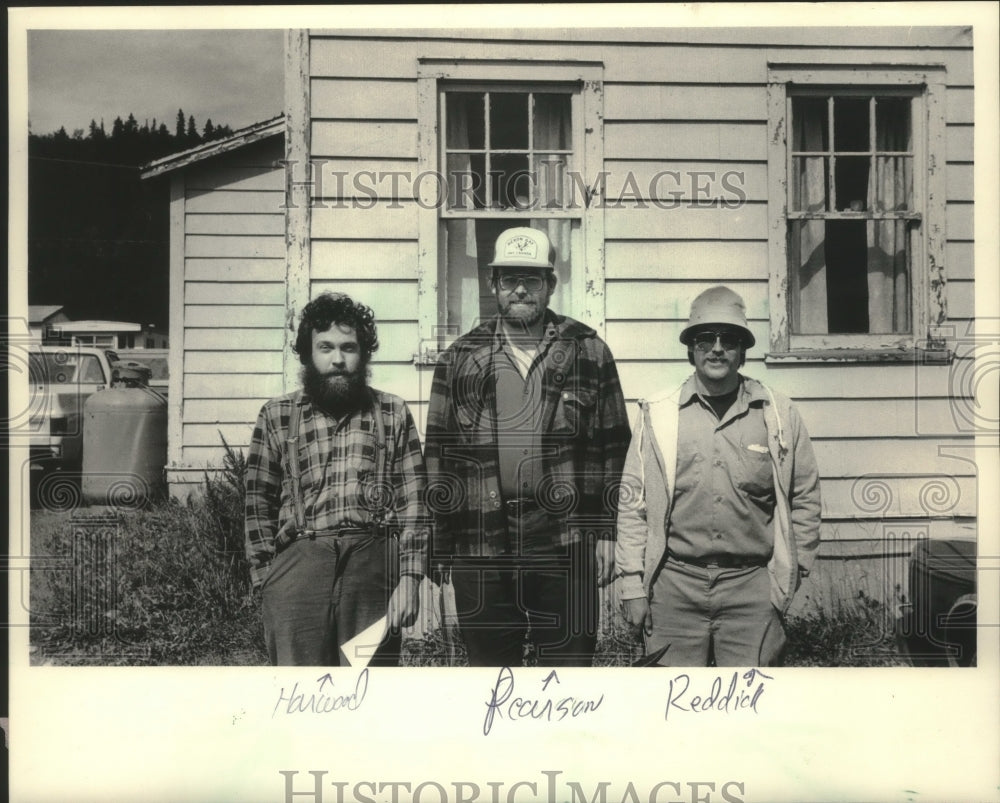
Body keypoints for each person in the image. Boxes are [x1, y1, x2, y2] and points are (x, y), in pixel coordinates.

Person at [425, 226, 630, 667]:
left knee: (568, 677)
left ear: (551, 286)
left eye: (533, 279)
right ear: (493, 284)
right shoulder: (459, 358)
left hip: (564, 540)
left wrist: (607, 531)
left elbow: (615, 448)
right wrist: (439, 545)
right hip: (481, 544)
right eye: (510, 278)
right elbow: (438, 456)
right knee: (492, 681)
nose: (520, 289)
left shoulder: (589, 352)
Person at [616, 285, 821, 666]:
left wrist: (790, 577)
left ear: (743, 350)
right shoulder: (658, 414)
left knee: (750, 709)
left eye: (729, 339)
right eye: (704, 338)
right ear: (690, 348)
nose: (716, 348)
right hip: (675, 585)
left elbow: (805, 497)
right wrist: (632, 583)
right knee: (672, 707)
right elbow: (633, 503)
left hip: (752, 588)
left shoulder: (777, 414)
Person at [245, 293, 428, 666]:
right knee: (300, 693)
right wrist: (268, 580)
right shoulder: (277, 415)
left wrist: (409, 577)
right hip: (299, 567)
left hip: (372, 568)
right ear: (307, 354)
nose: (338, 360)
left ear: (364, 355)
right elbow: (256, 502)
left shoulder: (392, 413)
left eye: (349, 348)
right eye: (325, 347)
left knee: (367, 687)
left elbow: (415, 503)